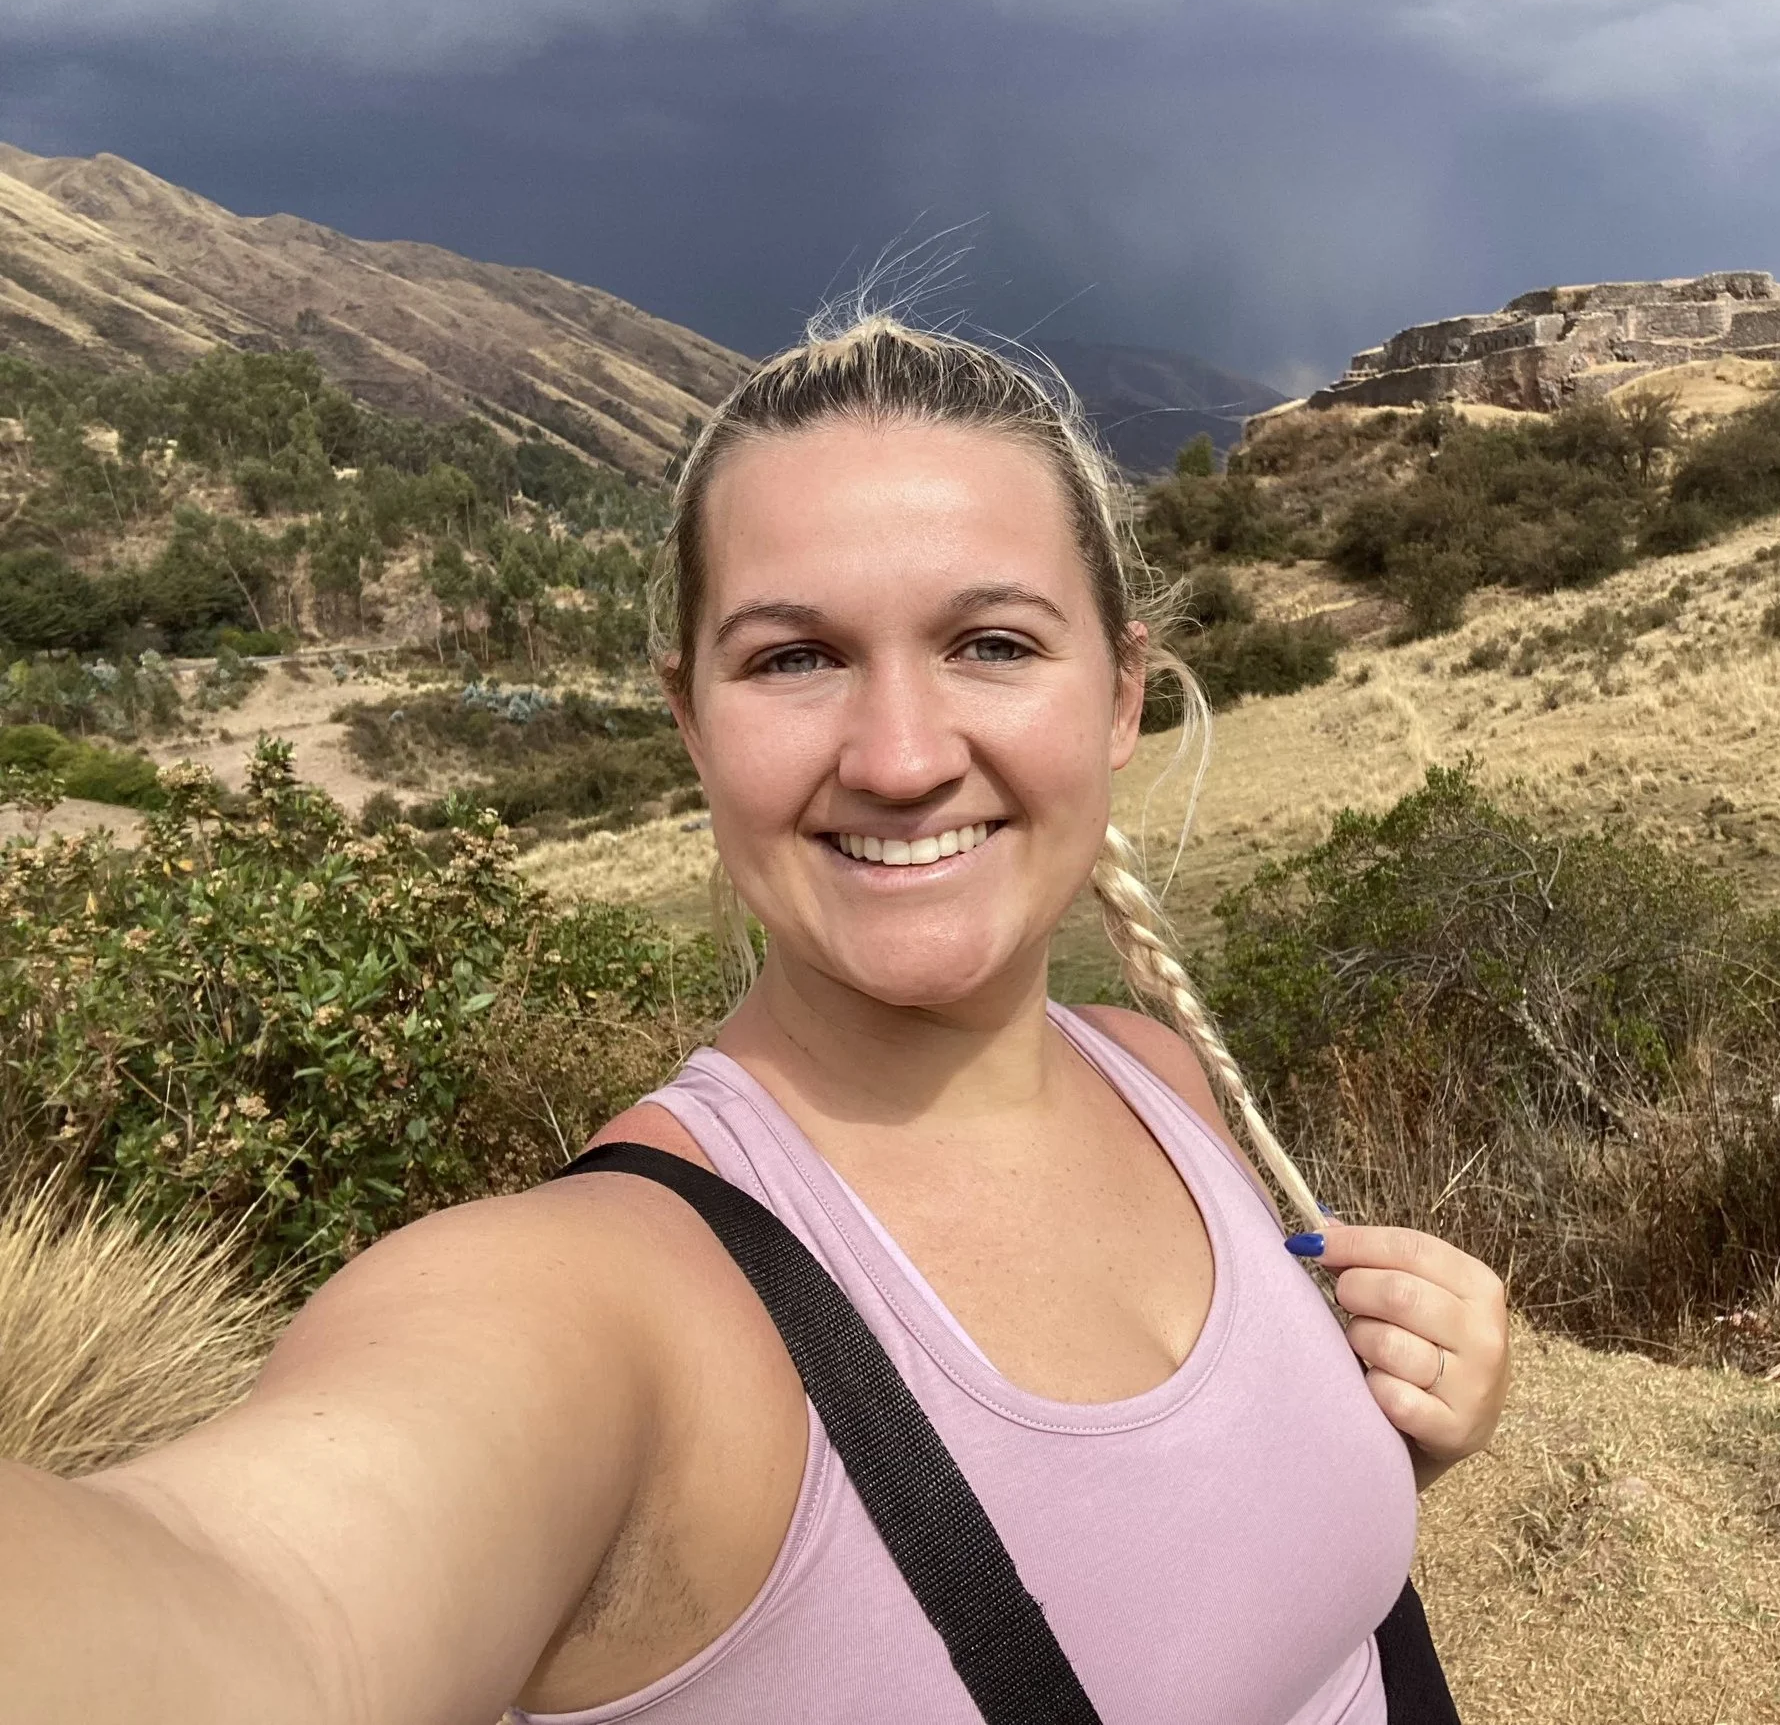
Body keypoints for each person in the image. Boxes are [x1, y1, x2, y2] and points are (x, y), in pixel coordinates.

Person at [3, 315, 1512, 1724]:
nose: (905, 754)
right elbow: (253, 1604)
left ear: (1118, 696)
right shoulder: (604, 1307)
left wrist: (1370, 1438)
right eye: (795, 657)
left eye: (992, 641)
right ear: (691, 720)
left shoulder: (1161, 1076)